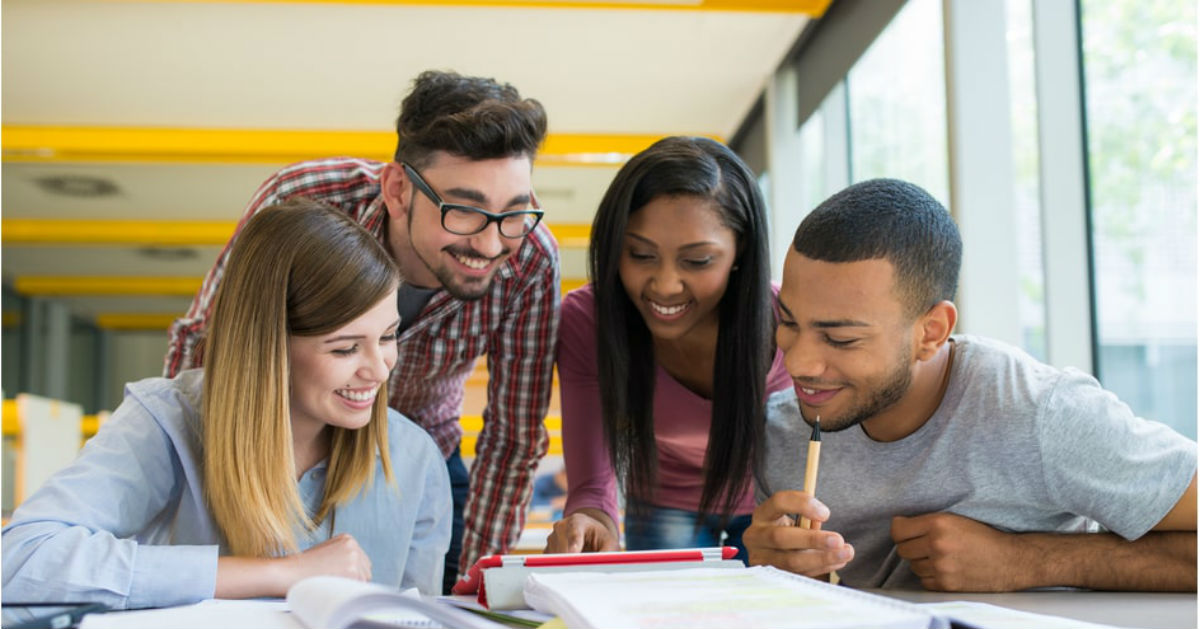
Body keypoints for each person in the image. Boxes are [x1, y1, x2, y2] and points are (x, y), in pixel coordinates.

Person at [163, 70, 559, 593]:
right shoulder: (307, 200)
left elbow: (513, 436)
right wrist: (185, 470)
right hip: (275, 453)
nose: (490, 244)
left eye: (512, 213)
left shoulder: (529, 258)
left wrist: (478, 582)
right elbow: (208, 342)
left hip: (421, 460)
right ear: (398, 190)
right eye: (464, 212)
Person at [744, 178, 1197, 591]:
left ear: (932, 332)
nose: (799, 362)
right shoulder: (780, 435)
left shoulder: (1041, 414)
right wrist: (778, 579)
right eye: (788, 322)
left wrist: (1030, 561)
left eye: (840, 338)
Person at [2, 201, 452, 609]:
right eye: (344, 349)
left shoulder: (414, 458)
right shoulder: (168, 421)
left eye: (388, 337)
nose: (379, 369)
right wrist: (279, 574)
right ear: (268, 348)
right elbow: (20, 560)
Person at [544, 137, 790, 560]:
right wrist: (593, 521)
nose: (665, 285)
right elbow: (590, 483)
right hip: (663, 503)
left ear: (740, 249)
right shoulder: (588, 320)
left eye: (697, 261)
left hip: (774, 506)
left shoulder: (788, 320)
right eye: (640, 254)